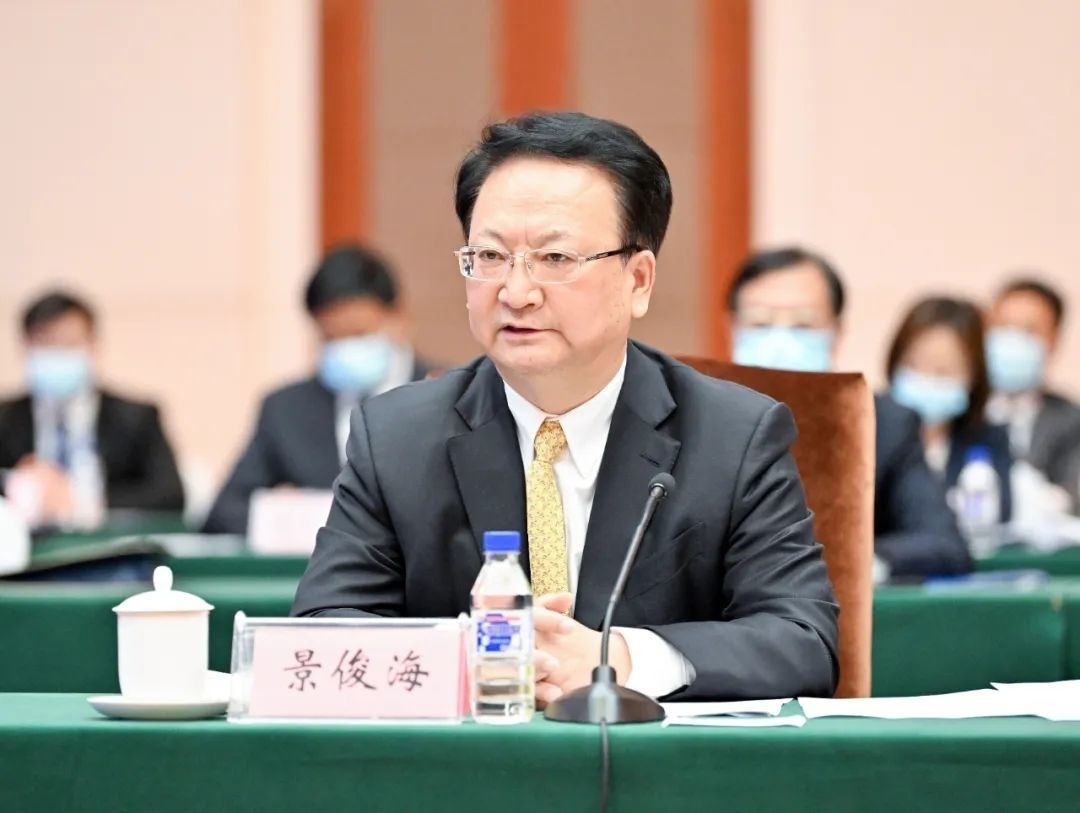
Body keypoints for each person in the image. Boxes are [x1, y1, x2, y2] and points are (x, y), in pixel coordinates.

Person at [292, 112, 839, 703]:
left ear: (638, 280)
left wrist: (619, 659)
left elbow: (802, 640)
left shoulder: (734, 436)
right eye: (491, 256)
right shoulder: (396, 436)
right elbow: (322, 633)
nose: (516, 292)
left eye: (555, 259)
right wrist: (479, 658)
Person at [727, 247, 971, 579]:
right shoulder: (694, 416)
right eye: (760, 322)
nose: (781, 340)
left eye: (803, 324)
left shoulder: (883, 423)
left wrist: (853, 563)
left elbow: (942, 543)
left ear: (837, 331)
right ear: (732, 327)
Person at [202, 244, 434, 535]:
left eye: (359, 334)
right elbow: (224, 513)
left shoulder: (451, 392)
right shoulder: (285, 409)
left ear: (400, 316)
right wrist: (287, 514)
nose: (347, 349)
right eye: (331, 338)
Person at [0, 290, 184, 526]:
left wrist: (81, 502)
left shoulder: (135, 418)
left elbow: (170, 495)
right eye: (47, 344)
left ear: (93, 344)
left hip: (109, 540)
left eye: (69, 344)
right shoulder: (5, 419)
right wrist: (19, 486)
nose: (58, 355)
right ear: (26, 345)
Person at [886, 296, 1013, 522]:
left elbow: (999, 513)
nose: (926, 379)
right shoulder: (871, 432)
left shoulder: (988, 439)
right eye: (913, 364)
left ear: (973, 377)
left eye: (942, 371)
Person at [986, 278, 1080, 513]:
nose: (1012, 339)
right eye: (1003, 326)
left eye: (1029, 330)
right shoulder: (960, 411)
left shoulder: (1071, 421)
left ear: (1053, 340)